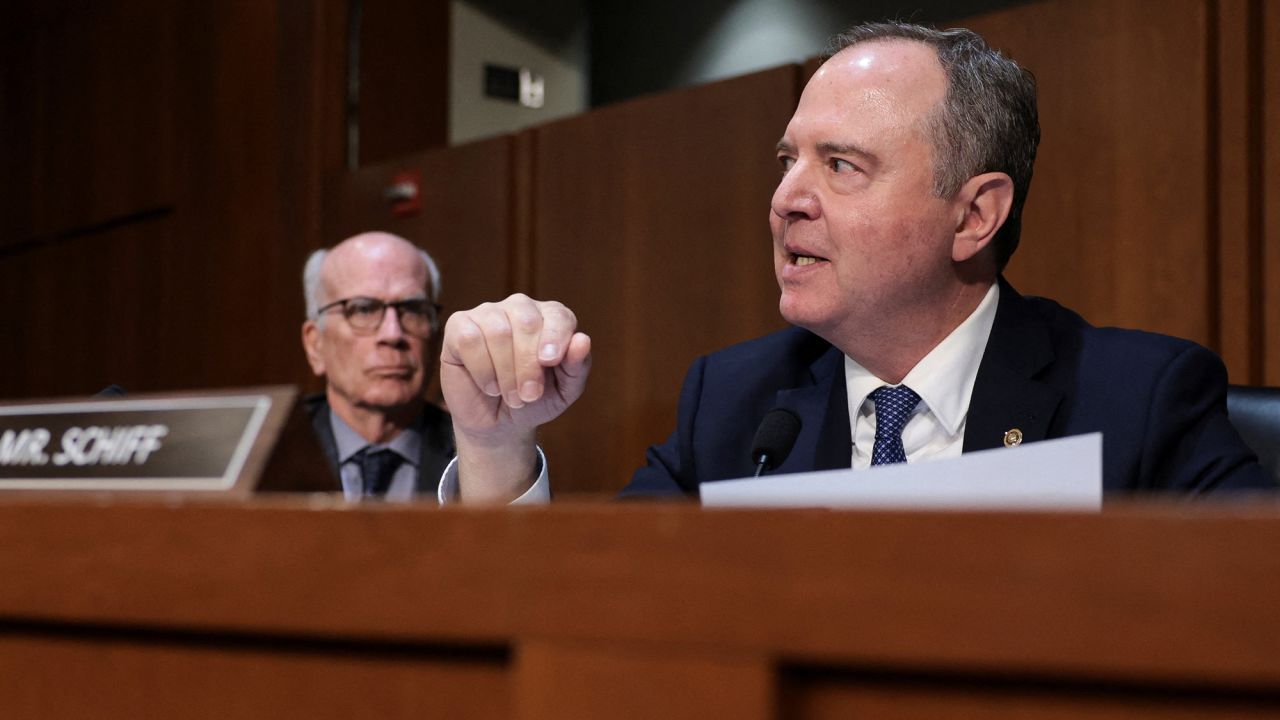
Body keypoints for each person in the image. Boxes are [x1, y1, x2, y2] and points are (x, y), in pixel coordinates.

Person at [435, 22, 1276, 504]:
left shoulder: (1139, 401)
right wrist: (496, 444)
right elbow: (589, 617)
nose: (786, 200)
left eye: (841, 166)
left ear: (975, 214)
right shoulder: (734, 407)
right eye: (786, 161)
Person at [298, 231, 455, 500]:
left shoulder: (477, 454)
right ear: (315, 345)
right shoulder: (266, 452)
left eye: (414, 309)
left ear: (436, 337)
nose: (393, 334)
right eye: (363, 310)